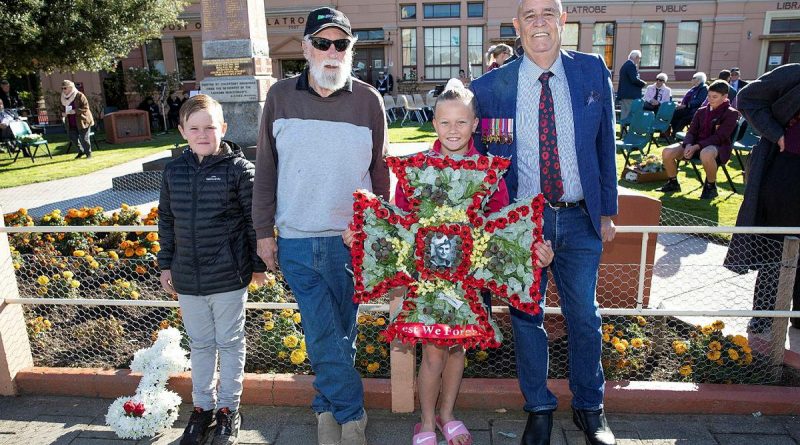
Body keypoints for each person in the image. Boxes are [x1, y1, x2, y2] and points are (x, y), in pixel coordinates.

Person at [470, 0, 618, 444]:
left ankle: (591, 408)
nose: (539, 22)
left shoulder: (592, 72)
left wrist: (607, 210)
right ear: (517, 25)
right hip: (522, 225)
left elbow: (605, 145)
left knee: (585, 317)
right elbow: (480, 162)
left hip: (579, 219)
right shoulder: (491, 86)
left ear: (563, 20)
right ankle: (538, 408)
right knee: (526, 317)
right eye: (529, 15)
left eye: (547, 13)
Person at [377, 81, 553, 445]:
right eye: (444, 122)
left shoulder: (491, 170)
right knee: (433, 352)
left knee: (458, 348)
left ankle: (447, 414)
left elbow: (505, 224)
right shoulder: (415, 170)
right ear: (434, 123)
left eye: (461, 122)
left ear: (475, 124)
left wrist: (536, 250)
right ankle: (425, 422)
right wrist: (364, 237)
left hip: (469, 281)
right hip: (428, 283)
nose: (452, 130)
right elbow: (399, 223)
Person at [252, 7, 390, 445]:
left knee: (340, 334)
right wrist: (263, 233)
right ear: (306, 47)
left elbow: (381, 173)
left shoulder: (369, 100)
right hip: (295, 240)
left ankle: (324, 407)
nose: (332, 52)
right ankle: (351, 416)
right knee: (322, 331)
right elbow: (266, 170)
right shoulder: (279, 97)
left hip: (351, 243)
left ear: (350, 49)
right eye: (323, 43)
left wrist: (378, 231)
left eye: (341, 44)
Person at [157, 94, 267, 445]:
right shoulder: (174, 170)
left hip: (229, 276)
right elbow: (166, 220)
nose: (202, 134)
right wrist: (165, 265)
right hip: (187, 277)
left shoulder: (239, 170)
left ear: (223, 128)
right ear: (182, 131)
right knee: (202, 345)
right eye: (194, 128)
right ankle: (202, 408)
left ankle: (227, 411)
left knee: (231, 343)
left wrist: (258, 266)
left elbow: (254, 223)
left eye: (210, 127)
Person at [724, 63, 800, 334]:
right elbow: (746, 98)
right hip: (788, 172)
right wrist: (776, 133)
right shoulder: (794, 74)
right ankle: (764, 313)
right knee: (777, 243)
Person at [657, 80, 740, 199]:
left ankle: (711, 186)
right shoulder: (701, 111)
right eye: (709, 96)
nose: (710, 99)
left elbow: (719, 137)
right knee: (667, 151)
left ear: (725, 97)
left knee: (705, 153)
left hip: (718, 147)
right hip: (696, 145)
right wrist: (689, 144)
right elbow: (691, 131)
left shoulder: (731, 113)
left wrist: (697, 146)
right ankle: (673, 182)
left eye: (715, 97)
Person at [60, 80, 94, 159]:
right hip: (70, 122)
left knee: (84, 139)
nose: (63, 90)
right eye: (62, 88)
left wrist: (75, 111)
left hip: (82, 120)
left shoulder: (79, 95)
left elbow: (86, 108)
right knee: (73, 138)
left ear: (71, 88)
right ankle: (81, 151)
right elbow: (61, 108)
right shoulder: (62, 97)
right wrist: (62, 113)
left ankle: (88, 154)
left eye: (65, 88)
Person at [617, 50, 646, 121]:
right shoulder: (630, 65)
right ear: (636, 57)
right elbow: (634, 79)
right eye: (639, 58)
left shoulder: (625, 65)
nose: (639, 61)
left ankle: (624, 131)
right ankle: (627, 131)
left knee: (625, 115)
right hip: (630, 95)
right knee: (629, 115)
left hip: (625, 94)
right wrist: (643, 83)